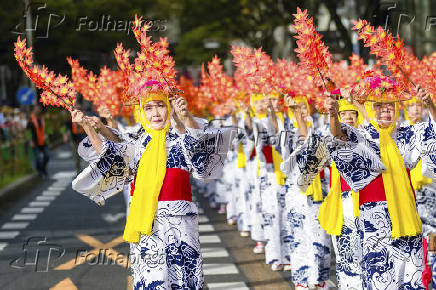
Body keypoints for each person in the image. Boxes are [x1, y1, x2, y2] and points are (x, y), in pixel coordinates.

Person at [71, 90, 235, 289]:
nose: (155, 113)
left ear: (169, 107)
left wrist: (186, 117)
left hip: (180, 227)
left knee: (184, 283)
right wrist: (87, 127)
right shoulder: (137, 143)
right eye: (148, 108)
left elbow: (202, 154)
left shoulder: (181, 137)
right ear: (141, 111)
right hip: (147, 228)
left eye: (160, 106)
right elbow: (111, 157)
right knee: (153, 283)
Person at [325, 84, 436, 289]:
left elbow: (432, 133)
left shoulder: (406, 134)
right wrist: (333, 114)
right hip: (374, 219)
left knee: (410, 277)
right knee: (380, 279)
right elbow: (338, 135)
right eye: (379, 106)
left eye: (390, 106)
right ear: (369, 108)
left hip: (407, 217)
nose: (386, 110)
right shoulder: (361, 135)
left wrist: (430, 106)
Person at [27, 103, 49, 179]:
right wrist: (30, 141)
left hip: (44, 142)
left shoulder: (44, 118)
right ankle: (41, 171)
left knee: (47, 156)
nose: (37, 110)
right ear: (34, 110)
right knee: (38, 158)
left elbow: (49, 128)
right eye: (36, 109)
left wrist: (47, 134)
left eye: (39, 109)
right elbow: (28, 131)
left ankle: (42, 169)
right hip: (35, 142)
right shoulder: (31, 119)